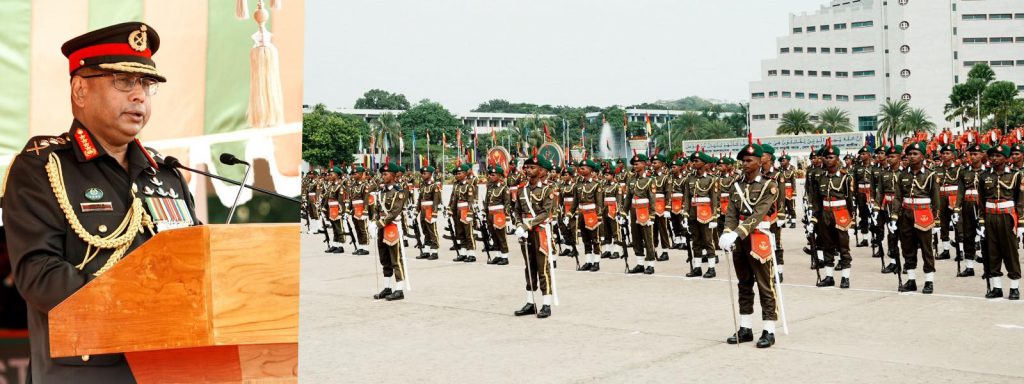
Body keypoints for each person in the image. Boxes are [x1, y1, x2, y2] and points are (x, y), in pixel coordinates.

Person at [1, 22, 199, 383]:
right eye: (124, 81)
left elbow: (199, 265)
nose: (139, 95)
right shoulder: (44, 167)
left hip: (172, 367)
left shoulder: (166, 174)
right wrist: (139, 309)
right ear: (80, 89)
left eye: (146, 84)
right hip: (87, 371)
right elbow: (39, 274)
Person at [719, 140, 780, 349]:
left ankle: (769, 329)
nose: (744, 164)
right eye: (742, 161)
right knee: (744, 283)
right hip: (740, 242)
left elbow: (758, 214)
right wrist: (727, 233)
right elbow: (731, 213)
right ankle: (745, 328)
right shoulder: (736, 185)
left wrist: (736, 233)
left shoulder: (769, 186)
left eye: (749, 160)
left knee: (765, 285)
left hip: (758, 238)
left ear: (759, 161)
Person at [891, 142, 940, 293]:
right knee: (907, 247)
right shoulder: (903, 175)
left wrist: (936, 220)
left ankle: (929, 281)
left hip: (924, 213)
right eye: (909, 154)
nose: (911, 157)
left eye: (915, 154)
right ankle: (911, 280)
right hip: (906, 214)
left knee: (926, 249)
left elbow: (936, 199)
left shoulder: (931, 175)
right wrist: (894, 217)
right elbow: (898, 197)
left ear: (923, 156)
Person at [512, 155, 556, 318]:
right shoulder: (521, 189)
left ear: (542, 171)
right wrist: (517, 224)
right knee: (529, 267)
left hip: (539, 231)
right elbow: (516, 209)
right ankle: (530, 302)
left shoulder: (546, 190)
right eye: (527, 167)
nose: (528, 170)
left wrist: (526, 225)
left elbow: (545, 213)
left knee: (542, 267)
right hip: (525, 233)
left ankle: (546, 303)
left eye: (532, 168)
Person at [977, 145, 1022, 300]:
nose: (994, 158)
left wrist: (1021, 223)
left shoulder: (1016, 175)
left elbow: (1020, 201)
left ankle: (1014, 287)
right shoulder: (983, 176)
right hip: (990, 216)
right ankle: (997, 287)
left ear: (1007, 158)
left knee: (1010, 252)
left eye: (998, 156)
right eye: (992, 156)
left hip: (1007, 216)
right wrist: (981, 221)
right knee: (992, 252)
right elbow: (981, 200)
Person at [371, 162, 410, 301]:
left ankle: (399, 289)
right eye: (382, 173)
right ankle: (387, 287)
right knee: (384, 258)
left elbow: (394, 212)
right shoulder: (382, 192)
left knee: (395, 259)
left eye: (386, 174)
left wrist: (379, 223)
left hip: (392, 227)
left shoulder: (399, 192)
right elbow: (377, 209)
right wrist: (374, 223)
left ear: (393, 175)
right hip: (382, 228)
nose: (383, 176)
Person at [484, 165, 512, 265]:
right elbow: (487, 201)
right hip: (490, 214)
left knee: (501, 236)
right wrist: (485, 213)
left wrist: (507, 217)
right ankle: (498, 255)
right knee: (493, 235)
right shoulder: (490, 187)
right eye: (490, 175)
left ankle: (505, 257)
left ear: (500, 176)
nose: (490, 176)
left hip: (499, 214)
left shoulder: (504, 188)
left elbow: (507, 204)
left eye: (493, 175)